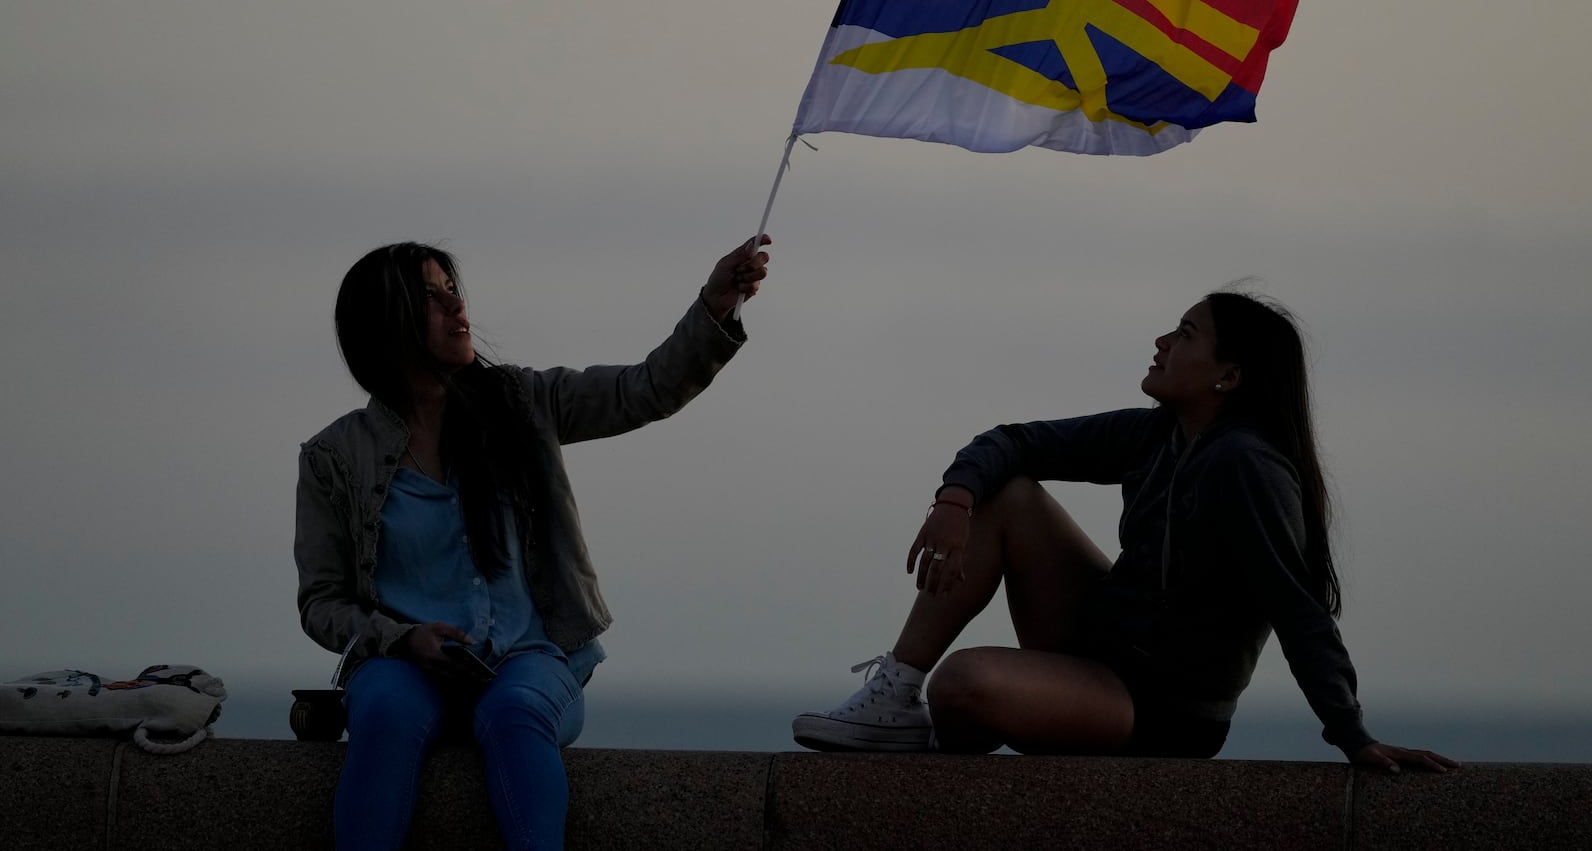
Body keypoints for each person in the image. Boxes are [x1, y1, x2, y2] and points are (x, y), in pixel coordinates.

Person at [793, 290, 1457, 773]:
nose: (1164, 342)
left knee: (964, 684)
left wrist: (1352, 733)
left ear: (1228, 375)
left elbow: (1298, 607)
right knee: (1011, 493)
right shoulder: (1154, 433)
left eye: (1185, 334)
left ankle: (938, 726)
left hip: (1161, 707)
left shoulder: (1245, 466)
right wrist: (955, 499)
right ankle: (894, 696)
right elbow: (1014, 441)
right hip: (1103, 645)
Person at [295, 235, 771, 851]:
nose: (457, 310)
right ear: (386, 325)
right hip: (402, 665)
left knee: (514, 714)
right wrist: (403, 640)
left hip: (533, 658)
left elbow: (643, 389)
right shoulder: (334, 457)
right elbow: (322, 601)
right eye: (431, 300)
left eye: (453, 291)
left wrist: (715, 306)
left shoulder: (524, 402)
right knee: (384, 712)